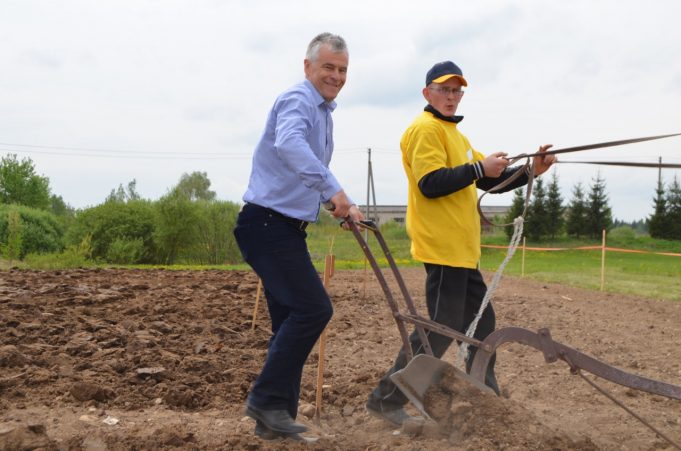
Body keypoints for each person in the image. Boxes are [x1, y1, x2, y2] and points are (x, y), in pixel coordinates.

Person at [365, 60, 556, 425]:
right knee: (442, 328)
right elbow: (431, 182)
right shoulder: (424, 130)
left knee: (483, 324)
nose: (451, 97)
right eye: (444, 90)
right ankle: (385, 399)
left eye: (457, 91)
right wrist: (479, 168)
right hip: (441, 246)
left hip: (461, 251)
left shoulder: (456, 136)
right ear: (427, 93)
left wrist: (531, 170)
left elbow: (484, 181)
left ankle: (484, 398)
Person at [233, 32, 364, 441]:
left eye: (342, 70)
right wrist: (332, 191)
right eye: (328, 67)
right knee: (313, 310)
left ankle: (275, 419)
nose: (336, 76)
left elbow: (297, 170)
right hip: (268, 226)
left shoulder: (322, 112)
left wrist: (336, 203)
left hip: (281, 227)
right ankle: (266, 400)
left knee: (289, 319)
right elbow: (288, 143)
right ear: (307, 66)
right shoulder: (299, 100)